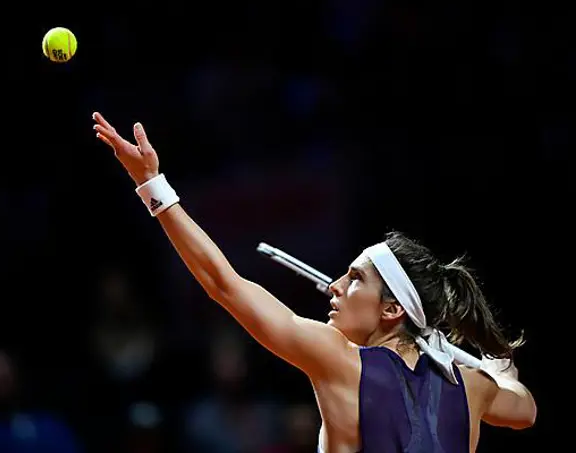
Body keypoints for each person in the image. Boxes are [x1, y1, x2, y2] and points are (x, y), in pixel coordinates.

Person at [91, 113, 537, 452]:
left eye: (355, 278)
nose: (334, 287)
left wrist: (152, 185)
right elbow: (525, 411)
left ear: (392, 309)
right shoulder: (475, 388)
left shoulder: (338, 359)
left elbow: (222, 284)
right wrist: (499, 368)